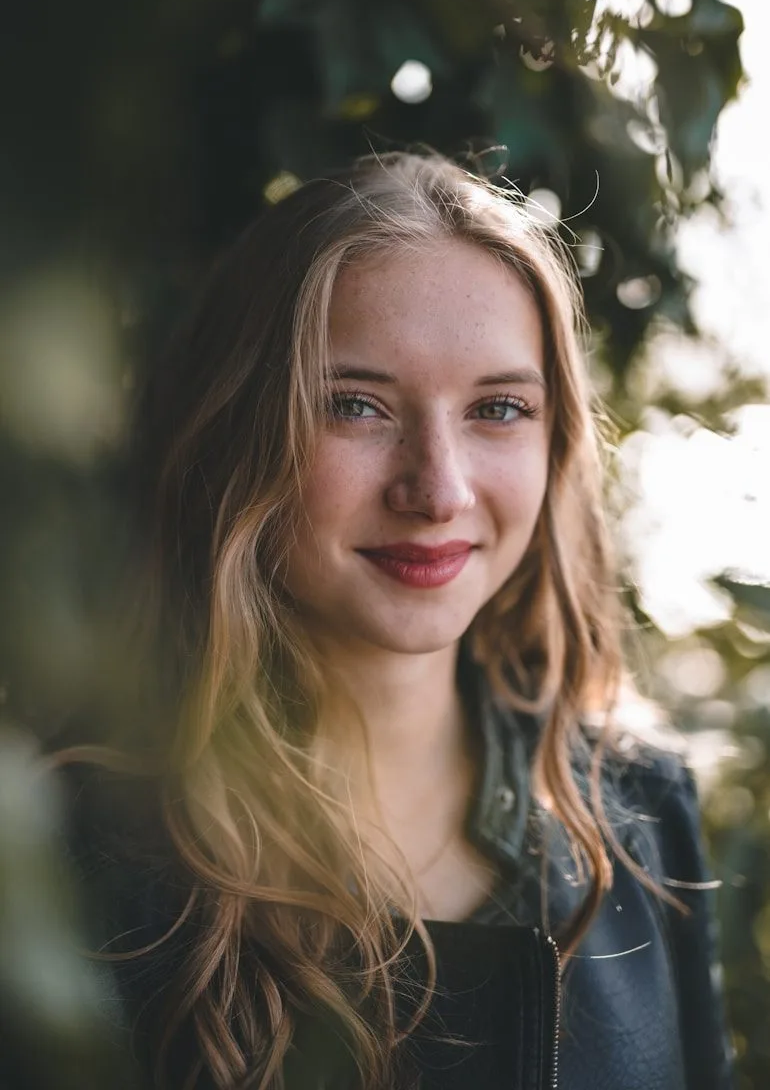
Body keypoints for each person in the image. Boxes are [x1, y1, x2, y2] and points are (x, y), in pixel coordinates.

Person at [63, 153, 733, 1090]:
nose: (440, 489)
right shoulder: (71, 851)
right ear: (240, 426)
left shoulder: (643, 810)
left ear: (557, 439)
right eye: (356, 406)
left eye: (499, 408)